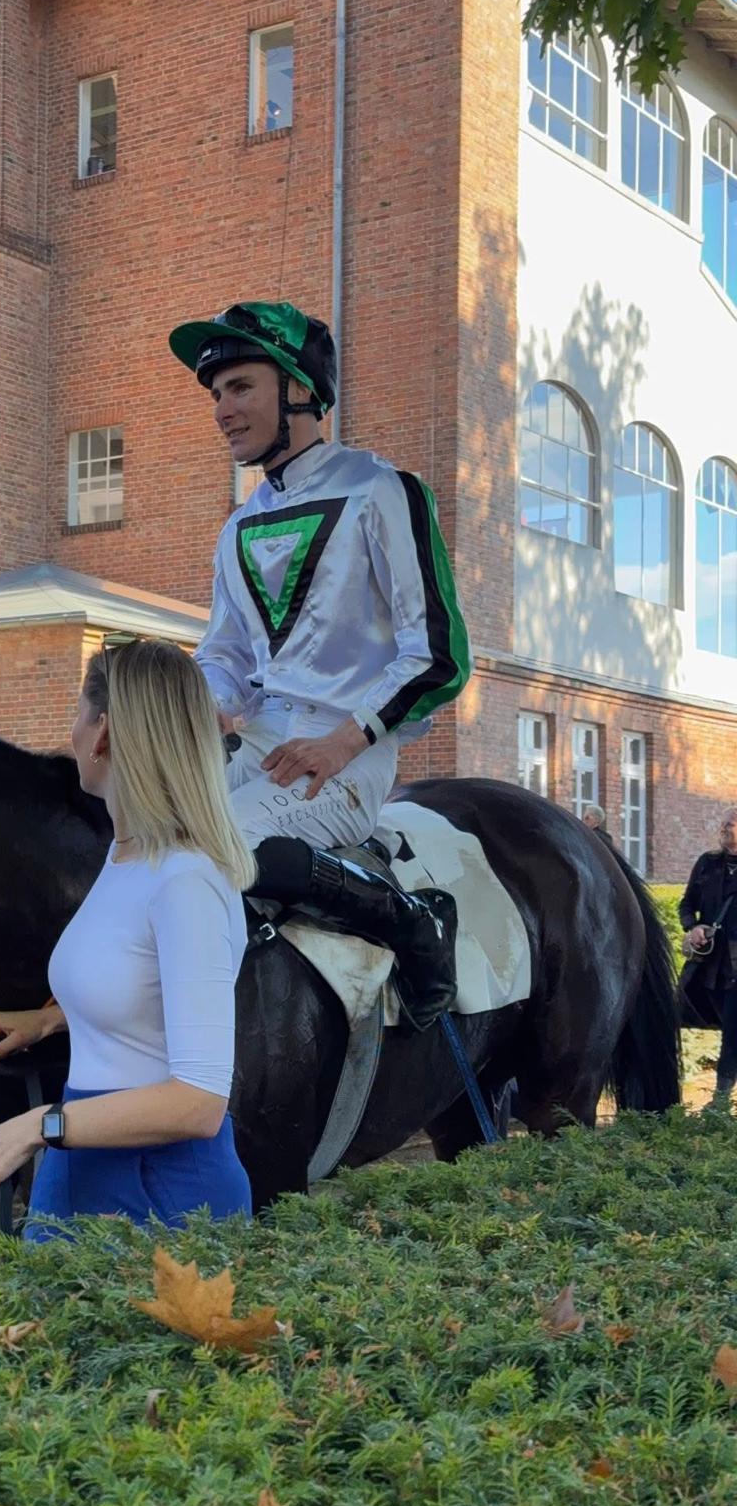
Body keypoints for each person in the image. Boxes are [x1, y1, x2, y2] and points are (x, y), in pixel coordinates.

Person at [167, 300, 473, 1027]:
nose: (222, 410)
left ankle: (415, 923)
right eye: (216, 394)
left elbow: (438, 655)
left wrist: (342, 742)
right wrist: (206, 706)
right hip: (261, 738)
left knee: (215, 849)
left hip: (349, 749)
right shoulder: (237, 525)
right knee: (135, 830)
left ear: (299, 388)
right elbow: (225, 654)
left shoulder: (382, 490)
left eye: (240, 386)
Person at [0, 640, 256, 1230]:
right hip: (86, 1165)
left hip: (162, 1195)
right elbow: (144, 986)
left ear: (104, 733)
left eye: (78, 713)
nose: (70, 732)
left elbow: (199, 1103)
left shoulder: (185, 881)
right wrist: (49, 1020)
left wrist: (39, 1125)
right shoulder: (128, 856)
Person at [679, 808, 737, 1099]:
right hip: (707, 964)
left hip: (735, 969)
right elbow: (687, 904)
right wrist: (693, 927)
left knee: (732, 1031)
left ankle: (720, 1102)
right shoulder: (707, 863)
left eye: (731, 823)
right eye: (723, 823)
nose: (724, 828)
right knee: (673, 1014)